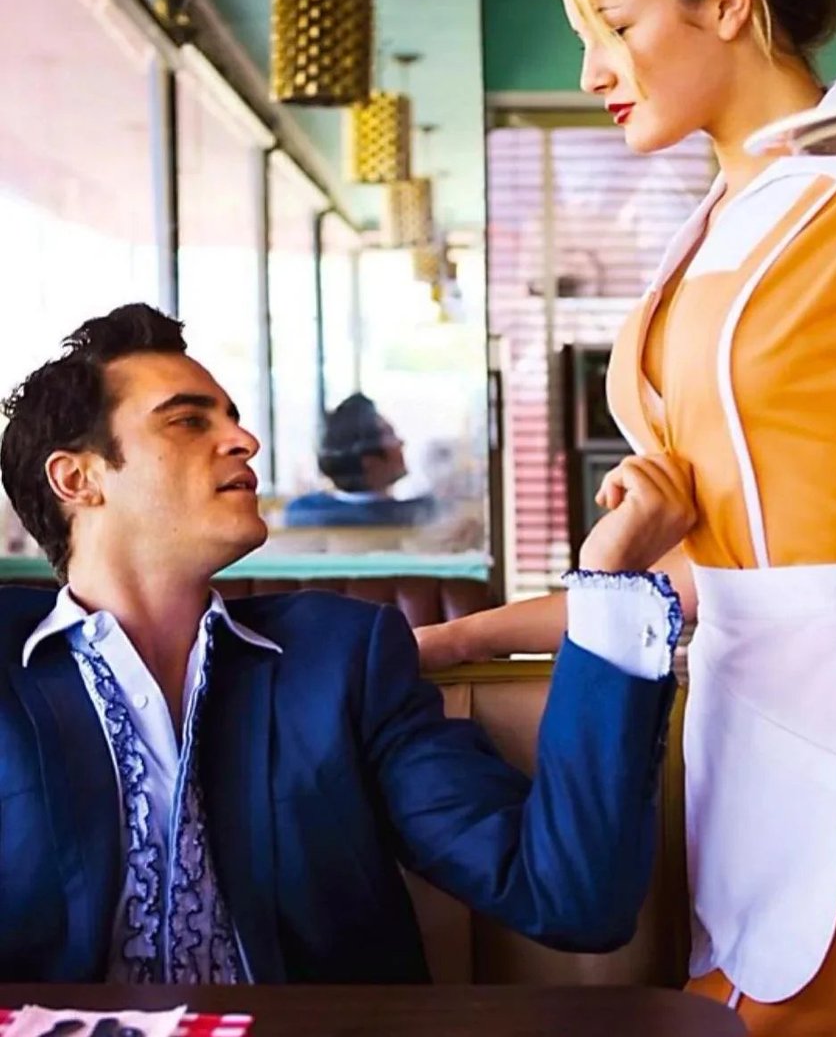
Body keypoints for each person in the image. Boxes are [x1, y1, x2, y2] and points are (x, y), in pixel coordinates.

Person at [417, 0, 836, 1031]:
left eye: (614, 25)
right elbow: (699, 578)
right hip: (733, 721)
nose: (594, 66)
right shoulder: (718, 219)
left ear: (725, 1)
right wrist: (447, 651)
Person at [0, 302, 690, 984]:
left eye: (234, 417)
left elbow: (570, 898)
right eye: (188, 420)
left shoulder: (339, 661)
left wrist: (609, 584)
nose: (245, 441)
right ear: (77, 479)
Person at [284, 393, 435, 528]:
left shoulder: (302, 512)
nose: (401, 442)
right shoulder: (414, 516)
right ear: (368, 461)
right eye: (390, 435)